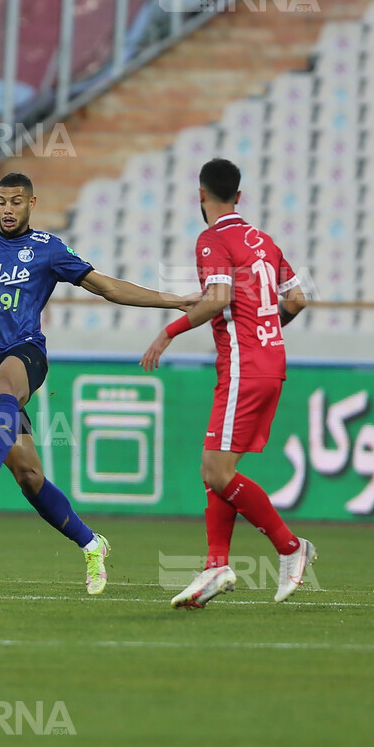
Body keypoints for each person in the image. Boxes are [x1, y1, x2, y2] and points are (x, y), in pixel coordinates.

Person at [0, 172, 200, 595]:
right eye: (1, 201)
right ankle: (91, 543)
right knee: (29, 477)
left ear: (32, 203)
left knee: (7, 385)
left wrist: (173, 300)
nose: (7, 209)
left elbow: (106, 287)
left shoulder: (47, 250)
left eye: (16, 202)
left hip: (24, 352)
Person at [139, 158, 313, 609]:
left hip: (243, 367)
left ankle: (290, 548)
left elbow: (217, 299)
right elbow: (296, 298)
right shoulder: (263, 240)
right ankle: (216, 564)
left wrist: (167, 333)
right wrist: (266, 331)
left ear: (201, 195)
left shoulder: (212, 239)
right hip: (268, 361)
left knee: (216, 472)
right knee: (217, 470)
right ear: (239, 196)